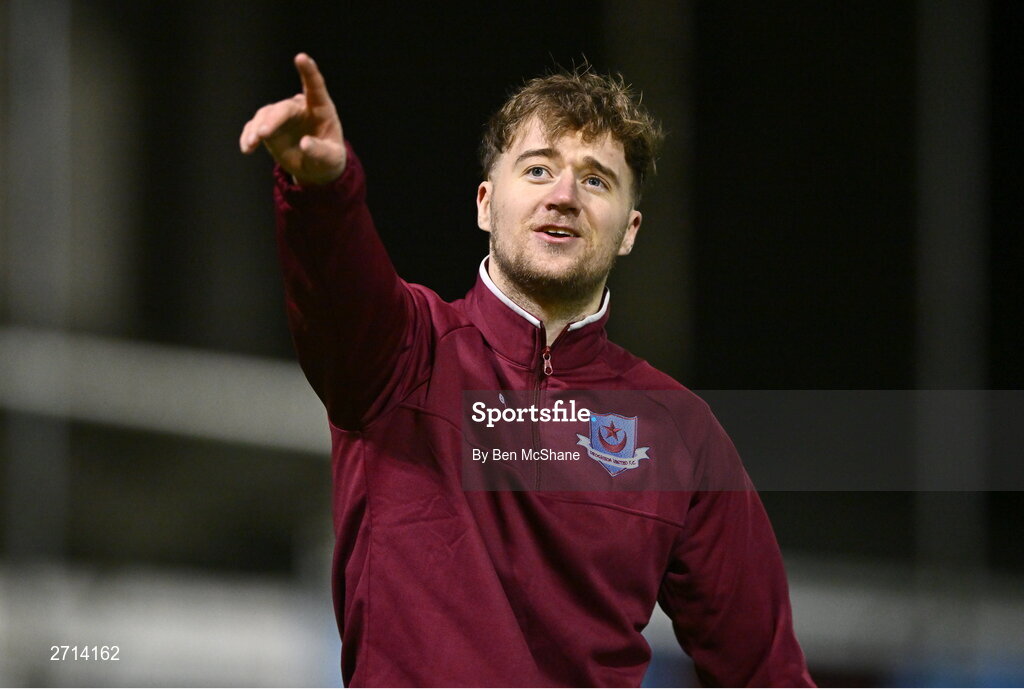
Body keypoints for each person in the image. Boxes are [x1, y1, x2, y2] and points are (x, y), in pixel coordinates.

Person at [240, 53, 814, 687]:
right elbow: (336, 285)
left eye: (596, 180)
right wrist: (323, 190)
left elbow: (764, 670)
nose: (563, 195)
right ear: (486, 203)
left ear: (629, 230)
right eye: (538, 169)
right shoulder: (403, 353)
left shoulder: (680, 433)